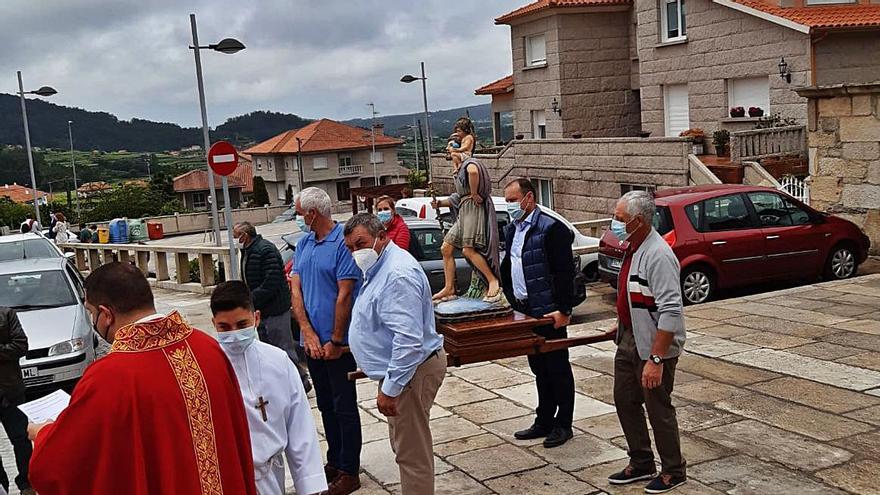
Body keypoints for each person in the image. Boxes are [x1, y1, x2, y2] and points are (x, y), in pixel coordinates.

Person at [27, 262, 257, 494]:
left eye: (91, 312)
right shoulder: (208, 348)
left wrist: (43, 434)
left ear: (106, 314)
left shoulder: (107, 377)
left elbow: (58, 466)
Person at [343, 213, 446, 495]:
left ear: (382, 236)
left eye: (360, 243)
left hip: (410, 372)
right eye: (351, 248)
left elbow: (409, 340)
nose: (356, 252)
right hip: (403, 372)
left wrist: (390, 387)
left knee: (412, 452)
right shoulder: (380, 266)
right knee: (405, 445)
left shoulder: (397, 274)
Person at [210, 281, 326, 495]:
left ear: (256, 318)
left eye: (242, 324)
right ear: (213, 323)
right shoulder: (207, 366)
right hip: (228, 478)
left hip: (269, 474)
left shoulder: (278, 361)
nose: (234, 334)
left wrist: (310, 484)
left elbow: (299, 426)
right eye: (224, 327)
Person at [606, 190, 687, 494]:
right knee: (625, 400)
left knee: (658, 407)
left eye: (620, 219)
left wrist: (656, 360)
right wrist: (622, 323)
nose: (615, 224)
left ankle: (673, 470)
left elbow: (670, 312)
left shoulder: (659, 255)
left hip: (655, 346)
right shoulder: (633, 247)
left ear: (638, 221)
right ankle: (641, 461)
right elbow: (634, 295)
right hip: (630, 338)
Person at [290, 187, 362, 495]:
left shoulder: (341, 245)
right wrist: (307, 332)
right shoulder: (304, 243)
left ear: (312, 213)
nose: (298, 218)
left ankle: (350, 470)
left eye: (298, 212)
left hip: (337, 345)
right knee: (325, 406)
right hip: (312, 343)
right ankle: (335, 460)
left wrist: (334, 339)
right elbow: (296, 288)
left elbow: (344, 295)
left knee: (344, 406)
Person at [500, 179, 577, 448]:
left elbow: (565, 272)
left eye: (513, 200)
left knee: (557, 368)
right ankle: (544, 419)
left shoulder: (551, 228)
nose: (510, 205)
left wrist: (564, 308)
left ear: (528, 198)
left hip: (549, 312)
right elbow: (510, 266)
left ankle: (563, 424)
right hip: (525, 310)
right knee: (539, 368)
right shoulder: (512, 229)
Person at [431, 155, 501, 303]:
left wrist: (474, 193)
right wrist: (440, 203)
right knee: (446, 248)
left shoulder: (469, 163)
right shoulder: (458, 170)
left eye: (449, 148)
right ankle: (449, 287)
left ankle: (492, 280)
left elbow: (474, 172)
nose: (447, 152)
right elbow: (458, 197)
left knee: (468, 250)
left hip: (473, 209)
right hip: (463, 211)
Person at [0, 308, 33, 495]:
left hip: (10, 389)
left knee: (21, 438)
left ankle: (27, 483)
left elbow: (21, 345)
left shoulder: (6, 314)